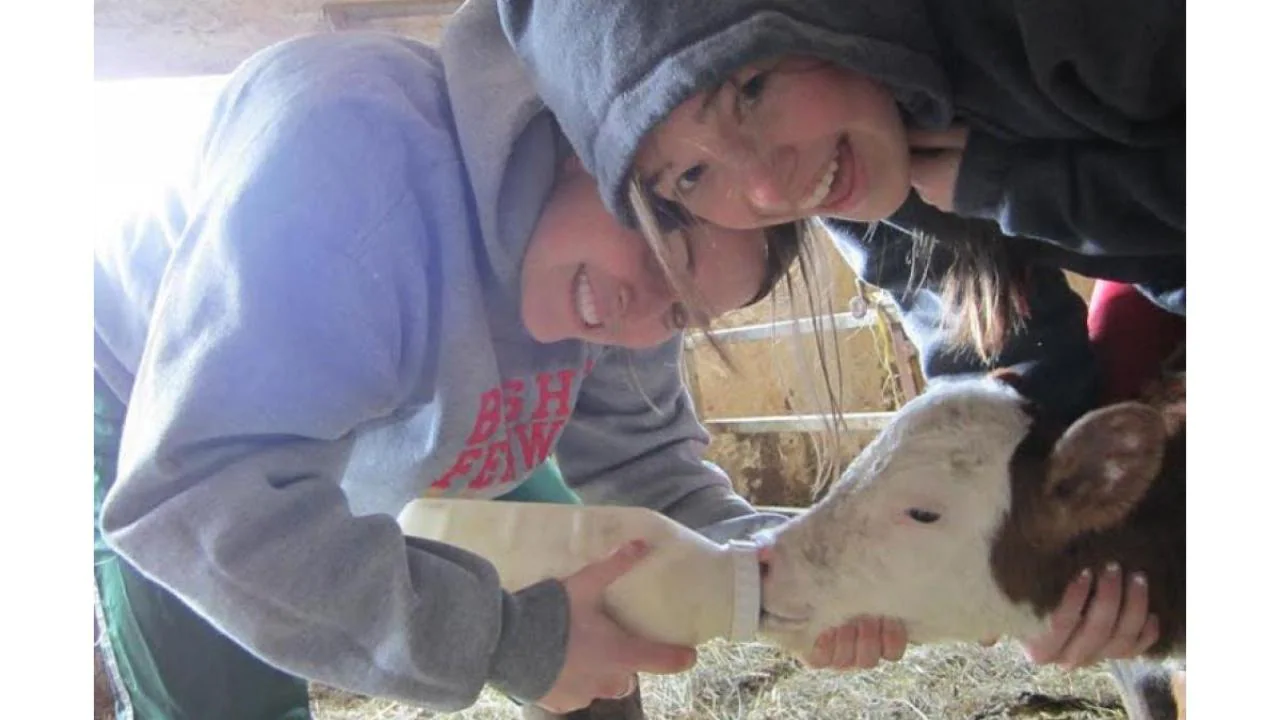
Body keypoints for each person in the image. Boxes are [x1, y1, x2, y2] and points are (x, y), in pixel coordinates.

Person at [93, 5, 882, 720]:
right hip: (163, 411)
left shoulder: (605, 281)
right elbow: (198, 497)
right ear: (596, 146)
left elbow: (648, 469)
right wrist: (506, 641)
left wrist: (797, 572)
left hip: (416, 402)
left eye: (680, 310)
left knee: (591, 624)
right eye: (662, 250)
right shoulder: (344, 169)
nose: (640, 313)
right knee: (225, 700)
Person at [495, 0, 1184, 671]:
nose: (767, 187)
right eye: (690, 175)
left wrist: (1018, 188)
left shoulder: (1067, 29)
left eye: (752, 91)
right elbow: (1004, 355)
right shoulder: (861, 170)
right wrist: (1043, 563)